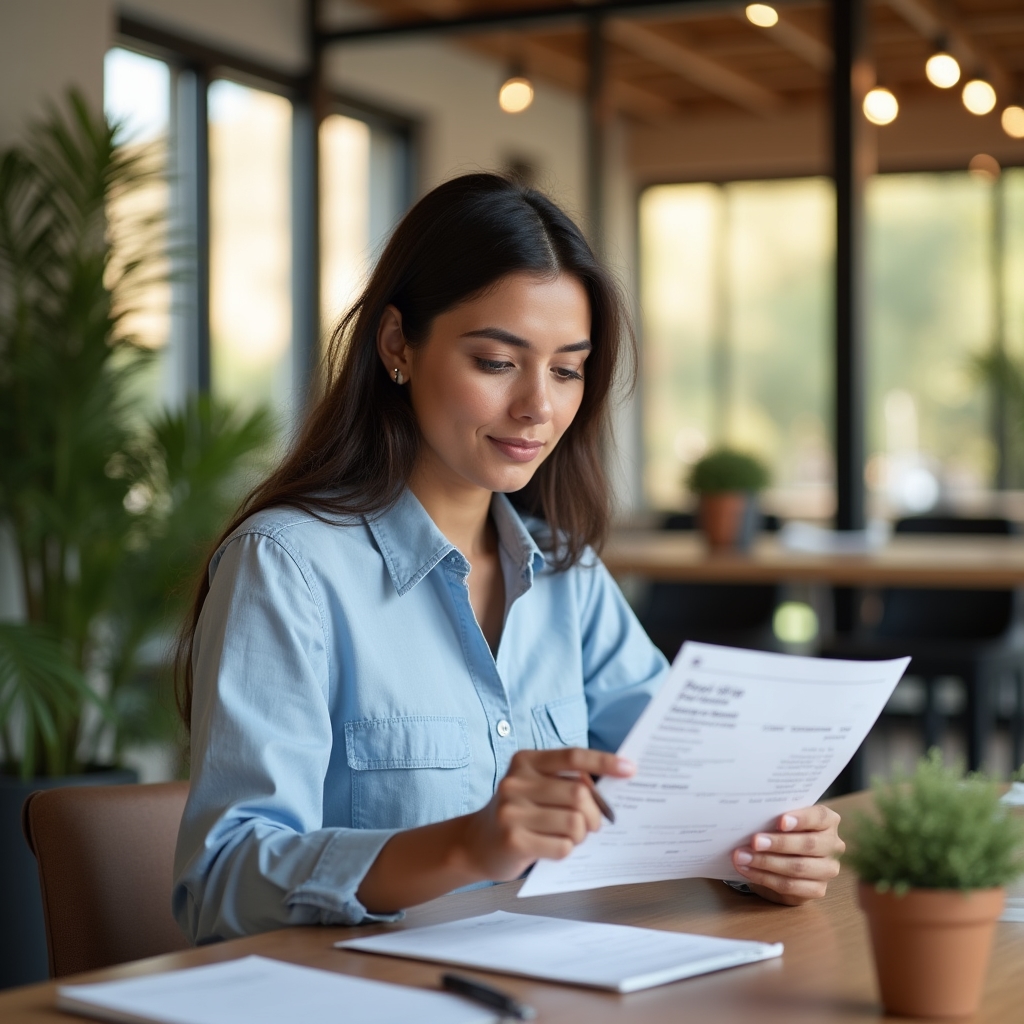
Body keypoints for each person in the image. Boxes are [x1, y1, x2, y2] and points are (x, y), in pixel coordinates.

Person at [172, 173, 843, 944]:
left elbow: (682, 781)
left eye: (566, 369)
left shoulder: (567, 574)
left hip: (558, 979)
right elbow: (220, 880)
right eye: (497, 362)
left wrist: (765, 842)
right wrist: (463, 846)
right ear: (397, 345)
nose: (539, 407)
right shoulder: (287, 567)